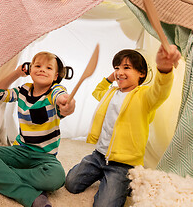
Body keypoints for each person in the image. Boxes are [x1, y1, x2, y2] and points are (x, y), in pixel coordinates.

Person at [65, 44, 181, 207]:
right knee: (71, 184)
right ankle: (102, 174)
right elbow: (97, 91)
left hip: (123, 164)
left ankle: (126, 181)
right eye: (117, 68)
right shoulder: (111, 93)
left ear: (141, 73)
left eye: (126, 67)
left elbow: (160, 91)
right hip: (99, 155)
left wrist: (164, 70)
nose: (119, 72)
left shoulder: (144, 97)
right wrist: (111, 78)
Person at [0, 51, 76, 207]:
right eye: (37, 66)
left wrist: (67, 104)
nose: (42, 70)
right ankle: (31, 195)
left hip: (45, 157)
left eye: (48, 68)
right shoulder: (23, 90)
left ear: (55, 76)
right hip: (20, 150)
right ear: (29, 69)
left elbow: (62, 98)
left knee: (56, 178)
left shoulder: (55, 91)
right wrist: (17, 73)